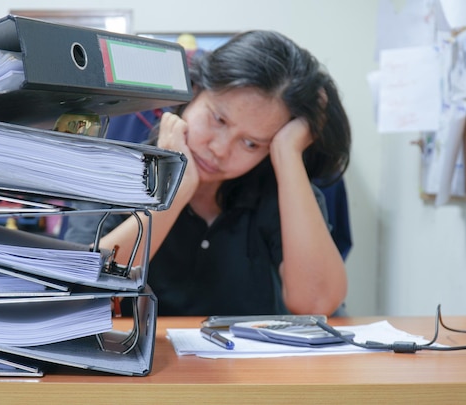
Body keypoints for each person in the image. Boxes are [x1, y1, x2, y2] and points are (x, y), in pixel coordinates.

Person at [67, 30, 351, 317]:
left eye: (252, 143)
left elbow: (317, 304)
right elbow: (76, 290)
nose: (220, 149)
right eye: (218, 119)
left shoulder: (280, 191)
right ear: (194, 90)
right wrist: (172, 193)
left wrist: (288, 152)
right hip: (138, 357)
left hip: (251, 362)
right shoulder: (115, 171)